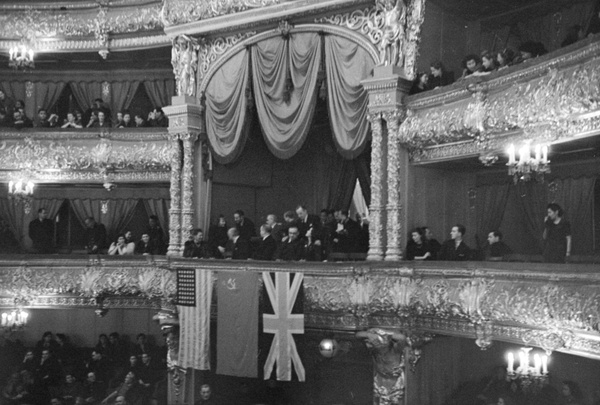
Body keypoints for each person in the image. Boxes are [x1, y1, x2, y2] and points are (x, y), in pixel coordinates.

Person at [356, 328, 406, 405]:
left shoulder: (395, 350)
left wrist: (385, 334)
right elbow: (358, 335)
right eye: (375, 342)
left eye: (380, 341)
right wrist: (370, 335)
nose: (377, 343)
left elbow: (402, 338)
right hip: (380, 383)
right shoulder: (374, 351)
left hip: (396, 385)